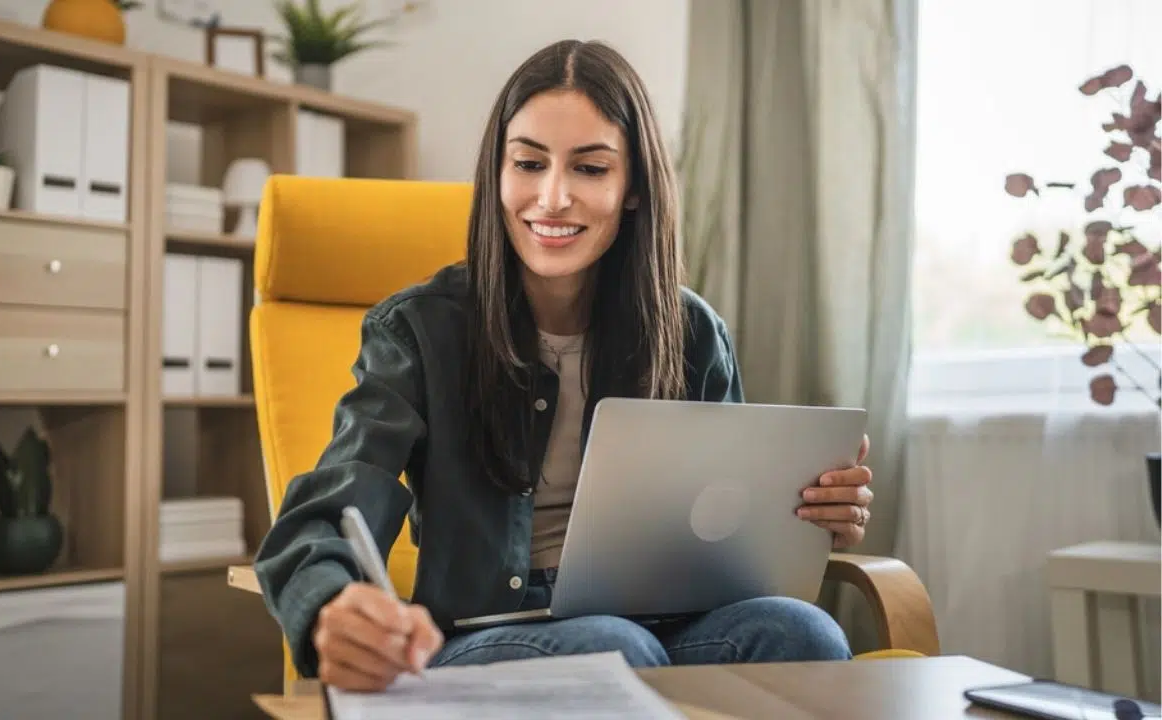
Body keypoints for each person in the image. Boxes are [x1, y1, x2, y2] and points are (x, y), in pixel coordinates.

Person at [254, 38, 876, 693]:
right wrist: (329, 603)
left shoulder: (693, 334)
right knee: (611, 644)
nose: (551, 198)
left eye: (589, 169)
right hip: (478, 639)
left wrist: (809, 520)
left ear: (632, 188)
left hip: (658, 631)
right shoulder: (415, 329)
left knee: (804, 634)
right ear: (498, 175)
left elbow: (730, 534)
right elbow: (331, 505)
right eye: (528, 163)